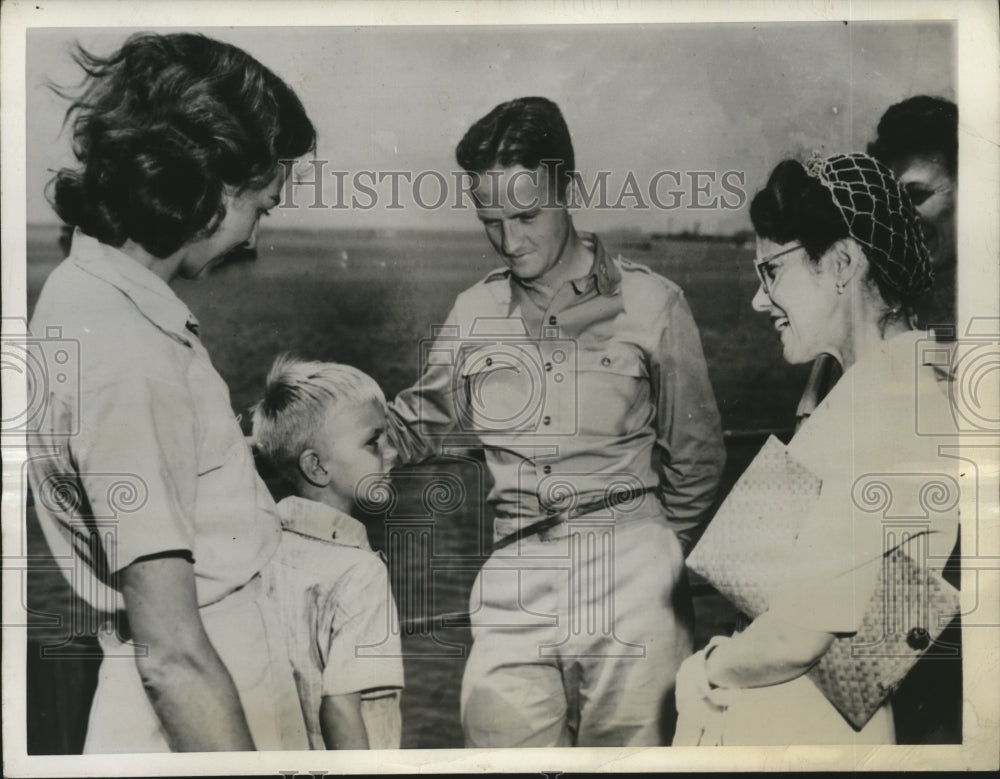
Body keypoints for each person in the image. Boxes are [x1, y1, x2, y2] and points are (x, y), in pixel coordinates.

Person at [387, 96, 726, 747]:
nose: (510, 241)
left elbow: (698, 456)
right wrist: (303, 428)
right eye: (491, 220)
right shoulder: (472, 311)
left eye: (526, 215)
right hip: (515, 567)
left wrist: (657, 557)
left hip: (634, 567)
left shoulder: (654, 303)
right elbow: (417, 424)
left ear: (567, 187)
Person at [27, 32, 316, 752]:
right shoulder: (128, 349)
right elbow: (172, 652)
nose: (254, 239)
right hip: (197, 709)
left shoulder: (85, 291)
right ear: (205, 185)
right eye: (262, 207)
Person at [673, 153, 961, 745]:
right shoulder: (887, 385)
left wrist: (701, 672)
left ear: (841, 263)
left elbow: (797, 638)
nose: (758, 301)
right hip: (822, 716)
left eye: (771, 272)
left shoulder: (885, 409)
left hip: (805, 729)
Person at [251, 356, 405, 750]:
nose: (391, 453)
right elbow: (340, 708)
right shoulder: (360, 572)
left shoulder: (258, 550)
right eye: (374, 441)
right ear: (317, 467)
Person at [796, 95, 958, 429]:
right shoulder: (864, 309)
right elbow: (805, 449)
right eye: (891, 200)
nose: (900, 215)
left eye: (916, 196)